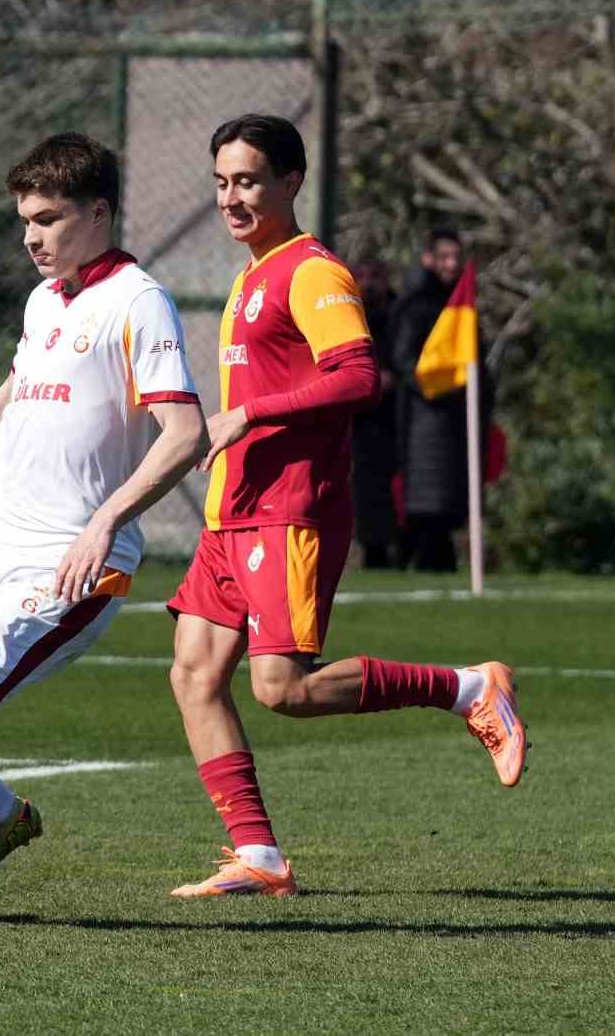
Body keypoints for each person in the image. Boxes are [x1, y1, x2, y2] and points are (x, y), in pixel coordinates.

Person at [164, 114, 526, 899]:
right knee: (193, 674)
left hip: (290, 507)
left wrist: (246, 416)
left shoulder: (310, 270)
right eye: (222, 182)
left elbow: (359, 378)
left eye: (249, 181)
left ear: (291, 182)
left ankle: (470, 689)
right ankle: (257, 857)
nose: (232, 197)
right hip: (234, 512)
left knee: (281, 688)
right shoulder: (251, 273)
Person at [0, 132, 208, 927]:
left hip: (67, 565)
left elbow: (185, 433)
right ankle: (3, 815)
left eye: (49, 218)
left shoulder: (138, 300)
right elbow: (14, 393)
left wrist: (108, 518)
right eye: (24, 218)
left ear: (99, 212)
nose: (31, 235)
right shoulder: (44, 300)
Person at [389, 227, 492, 572]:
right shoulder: (416, 305)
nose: (451, 264)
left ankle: (442, 558)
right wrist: (437, 384)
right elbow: (403, 358)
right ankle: (423, 558)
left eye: (456, 257)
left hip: (458, 416)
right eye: (444, 257)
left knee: (452, 497)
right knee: (427, 498)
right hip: (424, 416)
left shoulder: (462, 305)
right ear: (428, 259)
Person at [348, 258, 400, 568]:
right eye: (362, 277)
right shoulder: (347, 315)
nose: (368, 284)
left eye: (375, 276)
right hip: (360, 420)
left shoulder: (397, 315)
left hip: (395, 417)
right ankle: (372, 552)